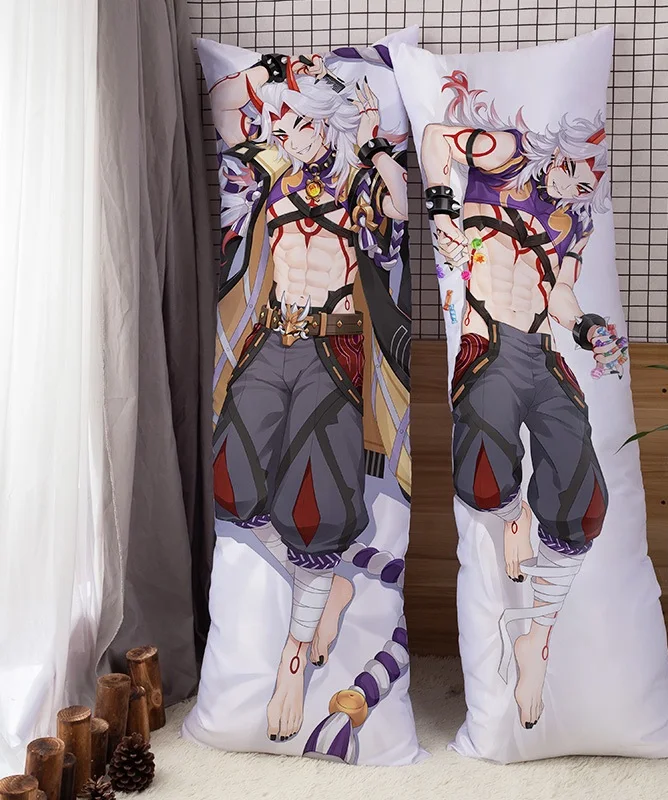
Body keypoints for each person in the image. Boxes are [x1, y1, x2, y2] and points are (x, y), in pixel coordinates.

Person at [208, 52, 410, 742]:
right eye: (283, 124)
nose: (289, 134)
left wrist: (375, 142)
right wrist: (266, 72)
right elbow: (224, 106)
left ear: (326, 126)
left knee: (314, 504)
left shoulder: (355, 181)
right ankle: (327, 586)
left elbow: (399, 209)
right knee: (232, 480)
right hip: (272, 339)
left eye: (300, 123)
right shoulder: (267, 174)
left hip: (333, 346)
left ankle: (294, 655)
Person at [420, 70, 627, 729]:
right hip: (487, 340)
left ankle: (535, 638)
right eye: (582, 176)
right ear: (564, 156)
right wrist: (444, 213)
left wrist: (589, 329)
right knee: (483, 474)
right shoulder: (504, 153)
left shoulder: (574, 220)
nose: (584, 190)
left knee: (584, 501)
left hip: (541, 350)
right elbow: (435, 137)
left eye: (592, 185)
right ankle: (513, 514)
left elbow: (560, 293)